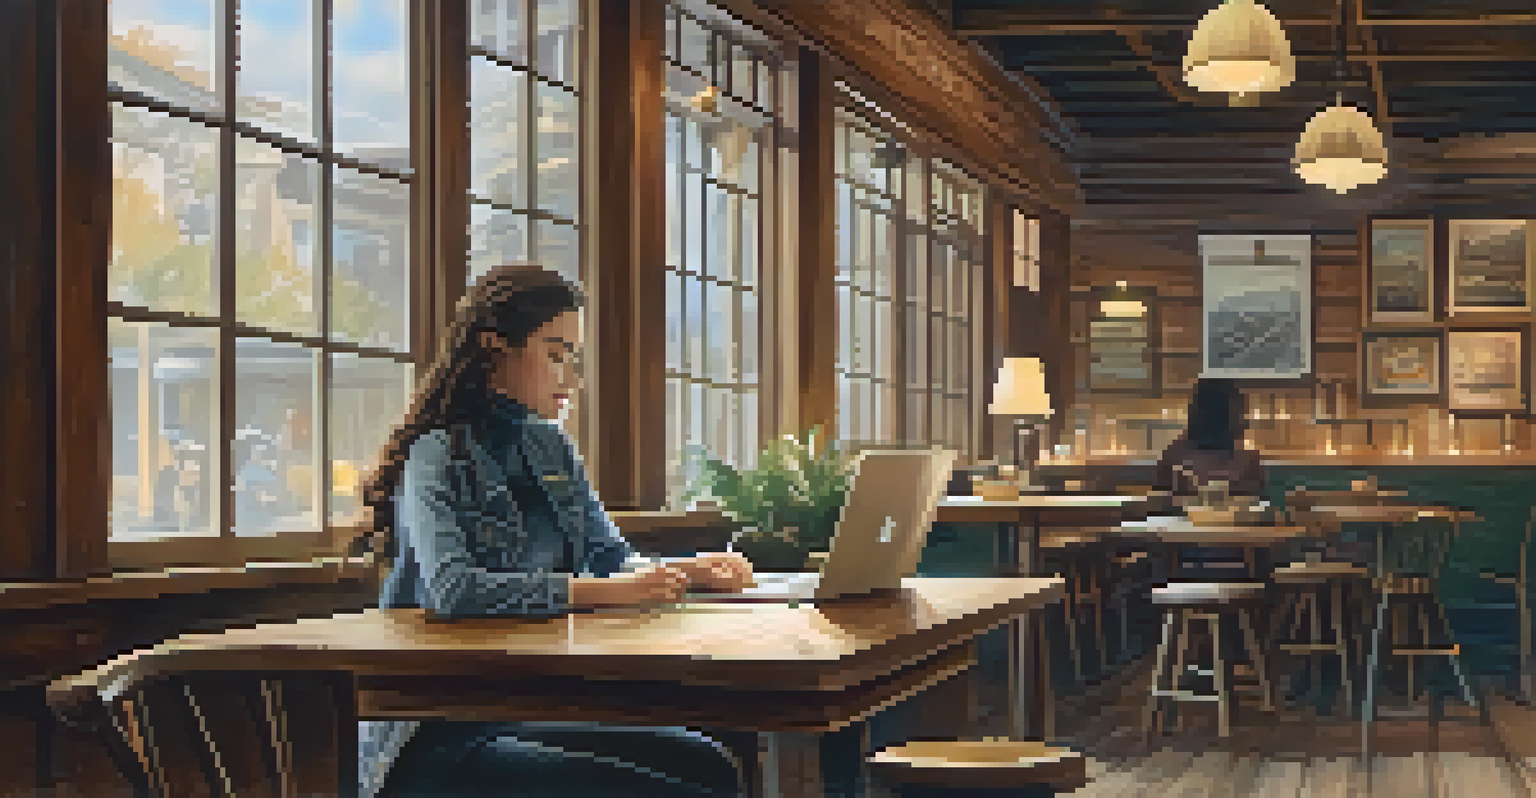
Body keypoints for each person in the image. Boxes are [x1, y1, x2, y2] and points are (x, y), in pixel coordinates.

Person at [356, 263, 756, 798]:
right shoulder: (437, 455)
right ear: (495, 349)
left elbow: (609, 555)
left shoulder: (553, 447)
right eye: (555, 354)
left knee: (711, 764)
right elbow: (454, 590)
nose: (570, 378)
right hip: (435, 730)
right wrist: (612, 591)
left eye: (574, 357)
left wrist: (689, 572)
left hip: (524, 706)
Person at [1153, 377, 1265, 501]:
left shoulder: (1174, 455)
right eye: (1240, 414)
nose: (1245, 422)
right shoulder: (1248, 461)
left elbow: (1159, 503)